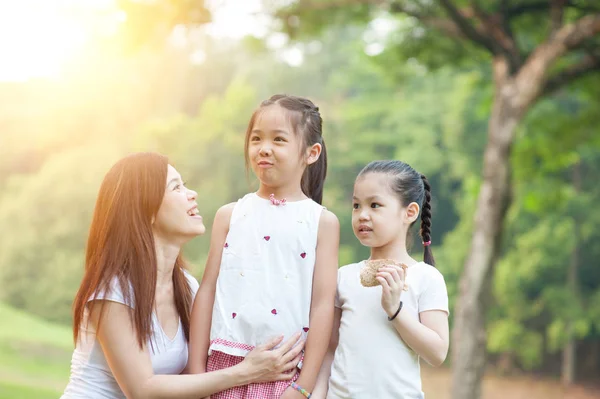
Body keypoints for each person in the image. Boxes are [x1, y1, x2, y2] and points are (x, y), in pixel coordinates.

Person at [62, 152, 304, 399]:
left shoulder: (186, 286)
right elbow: (141, 390)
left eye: (184, 185)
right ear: (148, 210)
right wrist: (246, 371)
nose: (192, 194)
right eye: (176, 187)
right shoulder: (113, 290)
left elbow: (194, 375)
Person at [189, 95, 340, 398]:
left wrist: (302, 387)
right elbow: (208, 292)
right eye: (256, 138)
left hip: (284, 373)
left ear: (311, 153)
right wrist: (196, 374)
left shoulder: (321, 222)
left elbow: (323, 305)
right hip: (222, 369)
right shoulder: (229, 215)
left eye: (279, 139)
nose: (264, 148)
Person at [314, 160, 449, 399]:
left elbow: (437, 353)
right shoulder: (344, 277)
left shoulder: (426, 277)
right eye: (356, 205)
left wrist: (396, 310)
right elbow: (330, 349)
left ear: (410, 212)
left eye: (374, 205)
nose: (362, 215)